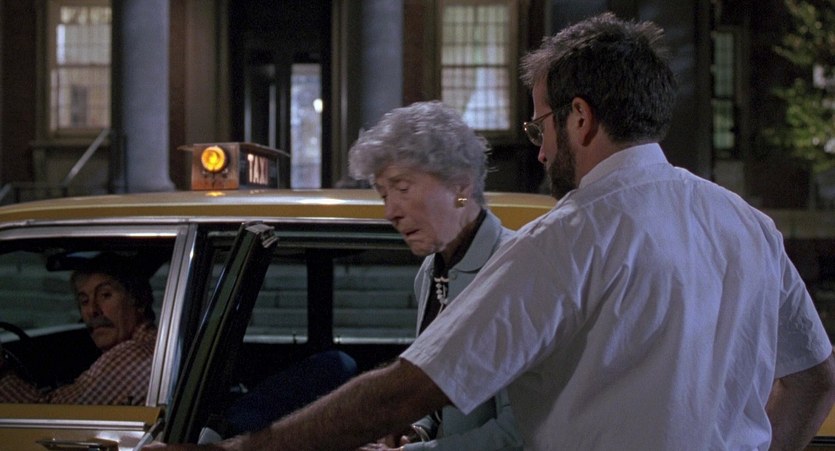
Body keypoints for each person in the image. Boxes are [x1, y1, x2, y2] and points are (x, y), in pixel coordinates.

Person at [146, 12, 835, 451]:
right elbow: (813, 379)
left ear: (580, 118)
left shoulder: (567, 239)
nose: (539, 148)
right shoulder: (747, 225)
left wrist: (243, 449)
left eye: (540, 126)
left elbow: (405, 389)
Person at [347, 101, 523, 450]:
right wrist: (418, 431)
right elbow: (443, 395)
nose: (390, 212)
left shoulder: (514, 269)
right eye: (383, 194)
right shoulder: (431, 271)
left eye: (402, 188)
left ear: (461, 187)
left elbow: (519, 433)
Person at [0, 252, 157, 405]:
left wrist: (2, 374)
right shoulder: (152, 347)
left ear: (139, 300)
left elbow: (48, 414)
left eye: (105, 295)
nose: (92, 310)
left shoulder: (133, 356)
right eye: (84, 301)